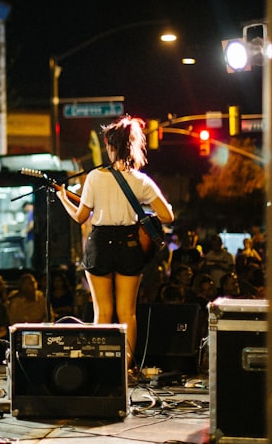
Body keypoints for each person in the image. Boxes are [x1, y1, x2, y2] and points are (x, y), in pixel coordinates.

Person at [56, 115, 174, 374]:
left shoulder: (96, 177)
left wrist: (63, 197)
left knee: (103, 313)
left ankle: (102, 369)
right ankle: (125, 369)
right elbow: (168, 216)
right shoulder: (141, 180)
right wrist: (142, 213)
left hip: (100, 245)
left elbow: (80, 217)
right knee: (127, 313)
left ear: (111, 146)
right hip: (129, 245)